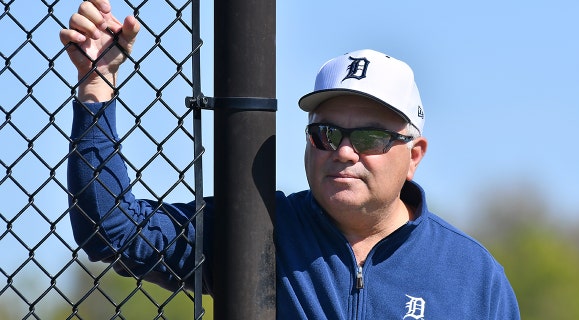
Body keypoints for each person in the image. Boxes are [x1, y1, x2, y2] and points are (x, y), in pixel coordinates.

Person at [60, 0, 520, 318]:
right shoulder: (260, 228)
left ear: (414, 154)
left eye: (371, 137)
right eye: (326, 133)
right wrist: (97, 86)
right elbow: (113, 229)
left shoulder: (473, 276)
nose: (343, 151)